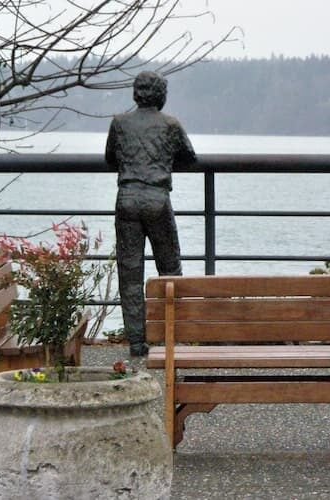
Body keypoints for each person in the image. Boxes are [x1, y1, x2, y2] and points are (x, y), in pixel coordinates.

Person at [105, 71, 196, 357]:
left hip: (127, 199)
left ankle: (136, 341)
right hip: (157, 199)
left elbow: (110, 157)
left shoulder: (119, 123)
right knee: (170, 269)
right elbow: (189, 156)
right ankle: (170, 334)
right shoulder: (170, 124)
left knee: (130, 272)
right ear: (161, 95)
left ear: (136, 94)